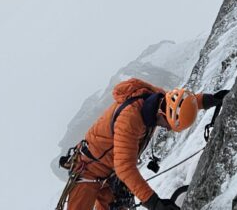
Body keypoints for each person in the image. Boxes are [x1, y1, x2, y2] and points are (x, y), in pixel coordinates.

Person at [61, 77, 228, 210]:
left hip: (111, 175)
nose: (167, 129)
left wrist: (210, 99)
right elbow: (125, 167)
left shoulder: (159, 99)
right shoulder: (130, 119)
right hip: (88, 171)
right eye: (167, 124)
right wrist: (154, 203)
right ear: (163, 114)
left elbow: (183, 104)